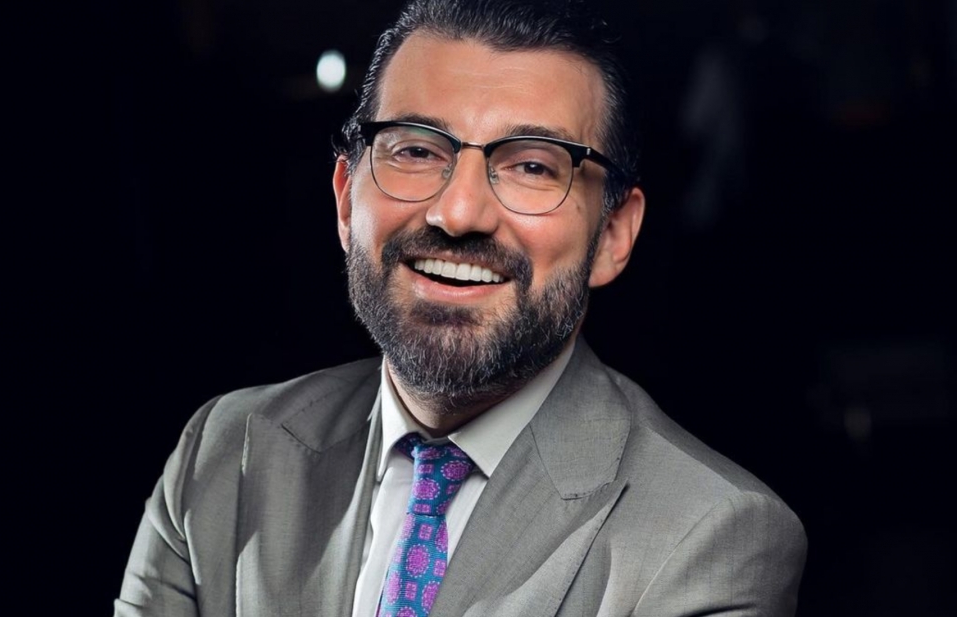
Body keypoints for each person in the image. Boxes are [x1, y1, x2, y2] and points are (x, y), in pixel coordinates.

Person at [114, 1, 807, 616]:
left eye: (533, 165)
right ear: (346, 199)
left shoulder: (709, 535)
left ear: (613, 236)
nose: (458, 211)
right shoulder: (226, 453)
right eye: (417, 150)